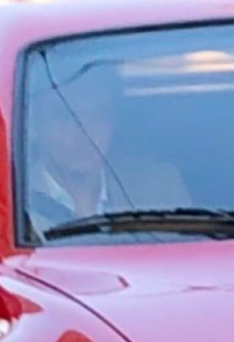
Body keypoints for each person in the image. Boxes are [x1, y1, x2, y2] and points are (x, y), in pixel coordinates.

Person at [22, 67, 188, 230]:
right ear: (35, 123)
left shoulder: (160, 188)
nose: (85, 132)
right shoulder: (13, 197)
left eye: (98, 116)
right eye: (67, 117)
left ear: (113, 122)